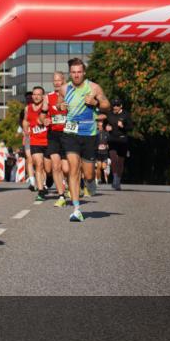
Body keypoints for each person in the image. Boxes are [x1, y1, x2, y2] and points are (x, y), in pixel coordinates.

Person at [54, 58, 110, 222]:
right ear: (70, 73)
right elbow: (59, 102)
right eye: (74, 72)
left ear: (84, 73)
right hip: (70, 132)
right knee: (73, 168)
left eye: (79, 72)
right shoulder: (65, 88)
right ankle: (76, 209)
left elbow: (106, 104)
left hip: (89, 134)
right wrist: (60, 106)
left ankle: (91, 182)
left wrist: (96, 102)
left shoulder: (93, 87)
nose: (77, 75)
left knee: (88, 173)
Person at [45, 71, 71, 207]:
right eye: (54, 80)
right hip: (53, 134)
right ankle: (61, 196)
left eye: (58, 80)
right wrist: (45, 120)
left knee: (66, 169)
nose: (56, 82)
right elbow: (42, 115)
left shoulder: (70, 95)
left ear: (63, 81)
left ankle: (69, 185)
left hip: (67, 133)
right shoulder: (47, 97)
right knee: (55, 165)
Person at [23, 86, 50, 201]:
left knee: (48, 169)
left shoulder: (47, 107)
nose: (36, 96)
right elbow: (25, 120)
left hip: (48, 140)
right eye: (34, 94)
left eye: (39, 94)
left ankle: (49, 180)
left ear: (43, 96)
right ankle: (40, 191)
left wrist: (49, 122)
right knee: (38, 164)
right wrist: (25, 129)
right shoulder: (27, 108)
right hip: (35, 141)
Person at [106, 98, 131, 190]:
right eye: (113, 105)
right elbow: (105, 124)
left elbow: (130, 127)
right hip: (112, 139)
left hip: (122, 140)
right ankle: (115, 179)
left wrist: (123, 126)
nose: (115, 107)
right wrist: (107, 127)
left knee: (120, 162)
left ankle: (118, 181)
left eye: (117, 105)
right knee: (113, 159)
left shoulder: (126, 114)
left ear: (121, 106)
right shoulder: (109, 114)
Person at [19, 91, 34, 189]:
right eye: (27, 98)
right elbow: (21, 123)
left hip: (40, 137)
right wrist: (25, 132)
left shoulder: (41, 108)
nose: (28, 100)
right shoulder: (24, 110)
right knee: (29, 158)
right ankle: (32, 182)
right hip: (28, 137)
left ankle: (43, 181)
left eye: (30, 98)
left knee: (39, 161)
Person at [95, 115, 111, 184]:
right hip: (97, 152)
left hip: (105, 153)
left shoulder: (107, 133)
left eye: (101, 123)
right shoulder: (95, 133)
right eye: (99, 123)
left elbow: (110, 143)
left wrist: (107, 146)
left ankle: (106, 170)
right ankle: (98, 179)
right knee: (98, 166)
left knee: (103, 167)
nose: (100, 124)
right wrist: (96, 147)